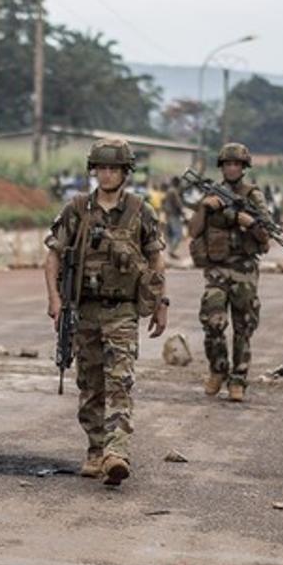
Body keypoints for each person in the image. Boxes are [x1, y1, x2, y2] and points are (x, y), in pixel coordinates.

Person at [44, 138, 168, 486]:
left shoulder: (140, 211)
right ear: (94, 170)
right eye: (102, 168)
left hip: (123, 312)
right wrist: (54, 300)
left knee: (120, 382)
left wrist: (160, 303)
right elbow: (53, 256)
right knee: (90, 384)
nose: (108, 173)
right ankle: (96, 449)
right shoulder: (77, 209)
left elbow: (156, 259)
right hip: (84, 310)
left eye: (115, 168)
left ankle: (117, 452)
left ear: (126, 172)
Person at [190, 142, 273, 402]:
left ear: (244, 168)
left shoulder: (253, 196)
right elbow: (193, 232)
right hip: (216, 269)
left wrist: (249, 224)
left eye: (237, 164)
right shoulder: (211, 194)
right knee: (212, 320)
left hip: (244, 269)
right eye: (228, 164)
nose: (232, 168)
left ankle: (238, 378)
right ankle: (218, 369)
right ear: (222, 167)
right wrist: (205, 207)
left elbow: (266, 238)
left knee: (243, 325)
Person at [162, 176, 186, 258]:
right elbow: (178, 203)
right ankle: (171, 251)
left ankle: (169, 251)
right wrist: (183, 213)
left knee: (170, 234)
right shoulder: (173, 191)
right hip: (174, 215)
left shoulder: (169, 190)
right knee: (178, 234)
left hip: (168, 214)